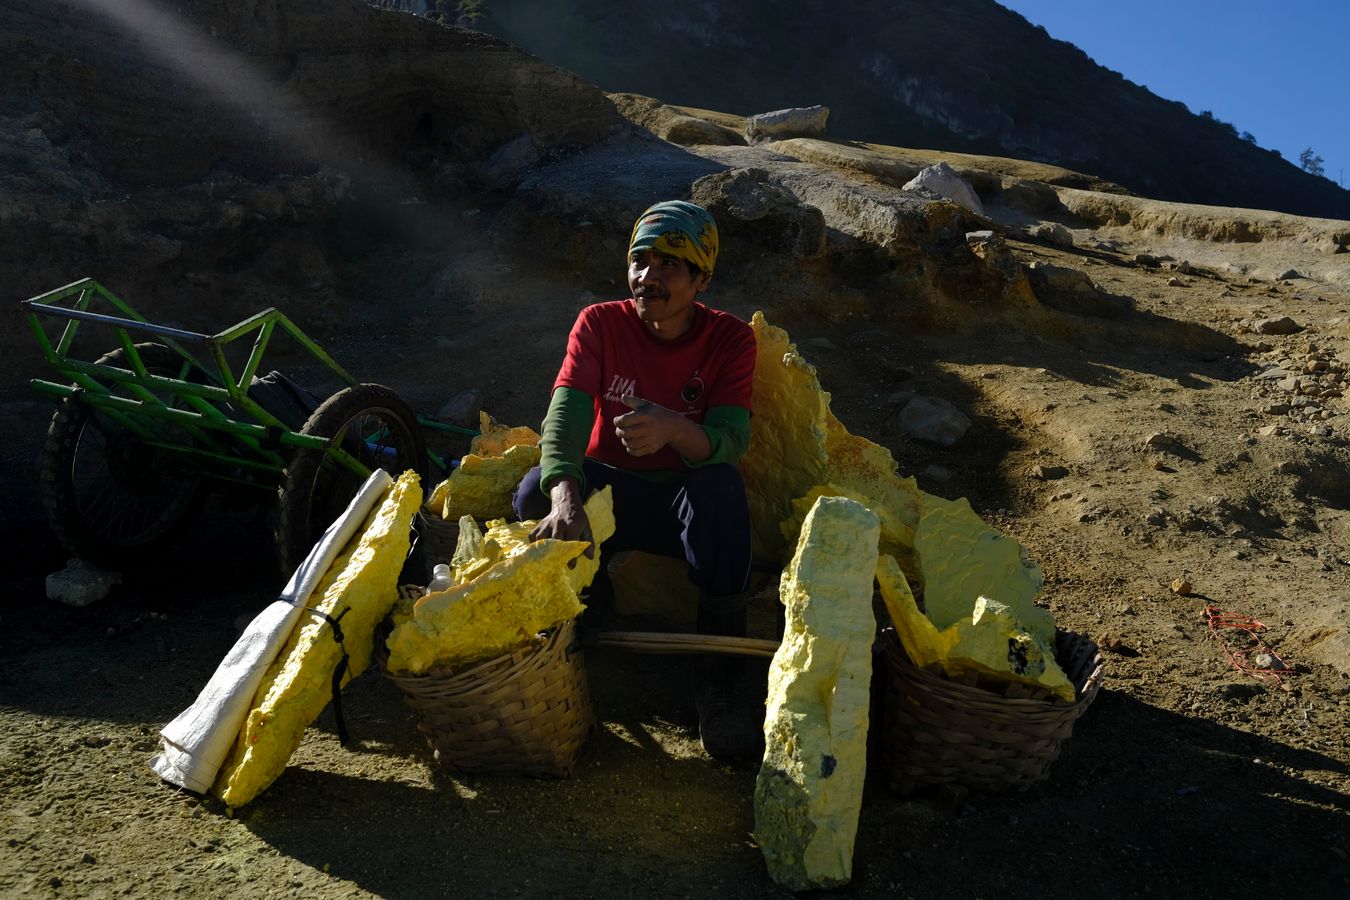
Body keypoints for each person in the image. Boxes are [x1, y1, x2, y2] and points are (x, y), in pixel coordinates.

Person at [512, 199, 760, 762]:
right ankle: (591, 610)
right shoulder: (600, 323)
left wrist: (673, 428)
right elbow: (565, 416)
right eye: (640, 261)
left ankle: (720, 681)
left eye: (671, 264)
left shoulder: (730, 340)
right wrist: (565, 497)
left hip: (681, 502)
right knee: (533, 493)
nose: (649, 277)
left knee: (721, 489)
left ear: (701, 277)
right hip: (610, 494)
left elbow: (728, 441)